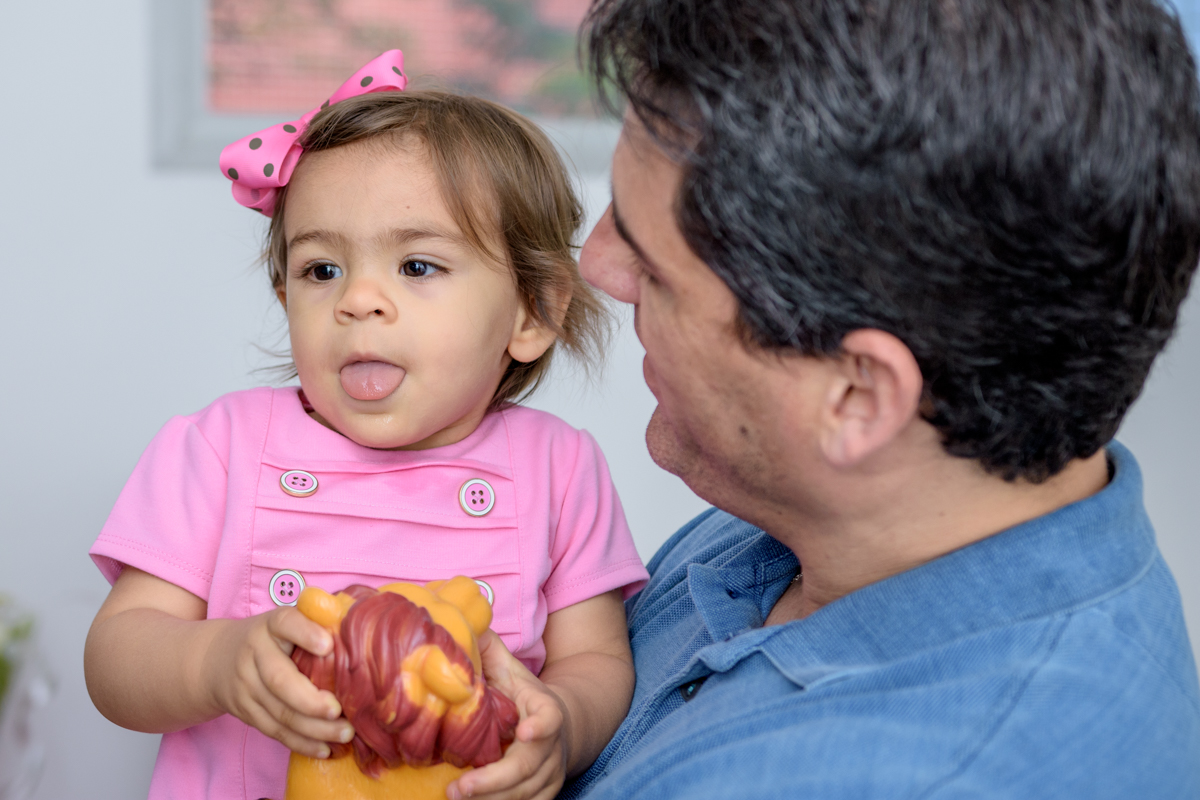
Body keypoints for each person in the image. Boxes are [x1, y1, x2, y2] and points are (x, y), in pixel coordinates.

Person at [556, 0, 1200, 796]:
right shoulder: (829, 509)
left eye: (651, 265)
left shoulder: (890, 775)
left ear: (857, 396)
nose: (599, 265)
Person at [82, 51, 649, 800]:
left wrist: (563, 728)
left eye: (417, 266)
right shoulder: (218, 447)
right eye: (322, 270)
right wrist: (218, 662)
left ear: (533, 312)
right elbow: (116, 658)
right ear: (286, 297)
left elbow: (599, 662)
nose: (359, 301)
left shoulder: (560, 467)